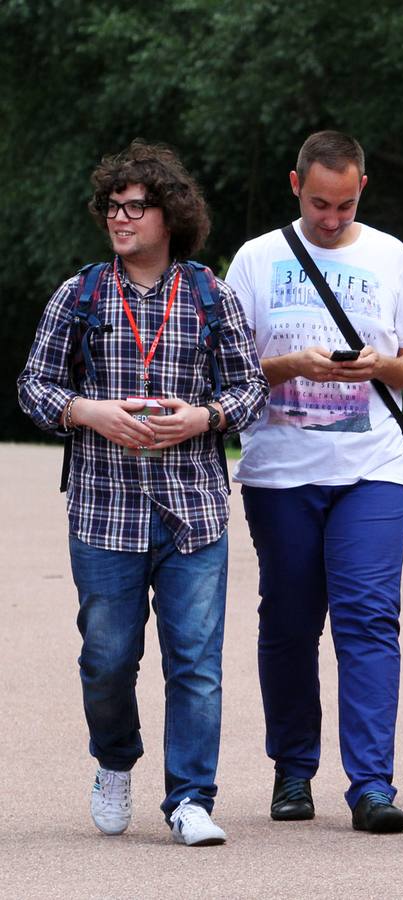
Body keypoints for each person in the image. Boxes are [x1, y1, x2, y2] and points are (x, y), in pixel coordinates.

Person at [18, 141, 267, 845]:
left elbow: (250, 387)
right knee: (107, 658)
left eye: (135, 207)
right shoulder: (82, 294)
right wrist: (87, 411)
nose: (120, 219)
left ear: (169, 214)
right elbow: (33, 388)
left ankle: (190, 796)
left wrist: (206, 418)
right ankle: (115, 761)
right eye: (111, 207)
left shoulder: (210, 294)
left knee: (196, 664)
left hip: (192, 509)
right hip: (104, 509)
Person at [224, 131, 403, 833]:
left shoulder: (391, 256)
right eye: (318, 204)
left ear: (362, 188)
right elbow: (227, 370)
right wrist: (292, 366)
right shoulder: (256, 259)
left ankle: (371, 784)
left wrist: (378, 366)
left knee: (369, 618)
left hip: (373, 466)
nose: (331, 219)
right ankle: (293, 770)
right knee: (288, 620)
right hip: (281, 470)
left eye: (344, 205)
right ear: (294, 185)